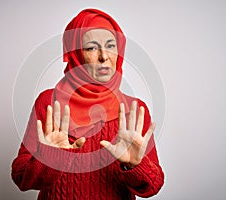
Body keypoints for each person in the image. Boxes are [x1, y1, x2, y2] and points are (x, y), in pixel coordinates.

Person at [11, 8, 164, 200]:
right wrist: (49, 158)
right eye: (91, 48)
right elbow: (20, 178)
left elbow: (154, 186)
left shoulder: (133, 110)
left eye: (111, 45)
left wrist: (135, 165)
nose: (104, 56)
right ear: (74, 53)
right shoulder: (49, 103)